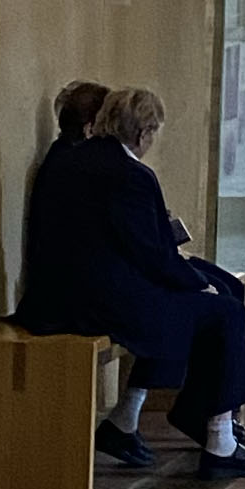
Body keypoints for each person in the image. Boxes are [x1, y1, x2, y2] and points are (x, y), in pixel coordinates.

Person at [23, 85, 245, 480]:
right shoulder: (131, 174)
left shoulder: (69, 159)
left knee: (198, 298)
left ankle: (142, 419)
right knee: (223, 311)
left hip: (65, 293)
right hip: (97, 302)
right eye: (153, 132)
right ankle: (218, 438)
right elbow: (154, 254)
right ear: (143, 134)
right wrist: (194, 282)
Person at [16, 82, 146, 465]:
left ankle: (131, 421)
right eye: (108, 122)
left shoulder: (72, 161)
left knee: (192, 296)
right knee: (170, 314)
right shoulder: (75, 168)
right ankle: (128, 422)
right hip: (67, 299)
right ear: (92, 127)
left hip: (76, 287)